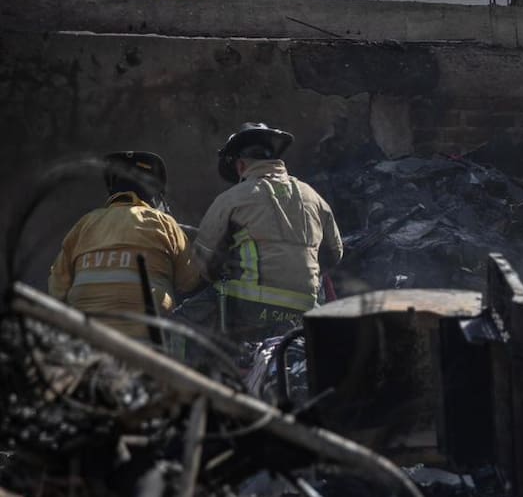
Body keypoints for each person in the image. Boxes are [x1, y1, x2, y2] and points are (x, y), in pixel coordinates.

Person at [193, 122, 343, 342]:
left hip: (250, 310)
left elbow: (203, 260)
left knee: (185, 322)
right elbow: (334, 253)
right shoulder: (313, 196)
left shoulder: (232, 198)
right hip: (306, 309)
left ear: (241, 165)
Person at [49, 151, 201, 340]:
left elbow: (57, 288)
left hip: (88, 339)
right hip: (148, 341)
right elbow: (189, 282)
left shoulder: (85, 224)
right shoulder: (164, 223)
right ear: (152, 194)